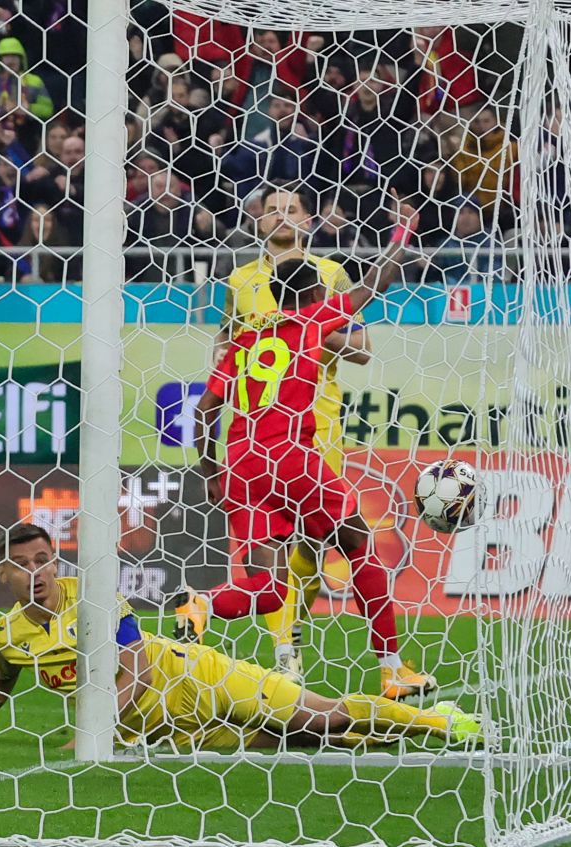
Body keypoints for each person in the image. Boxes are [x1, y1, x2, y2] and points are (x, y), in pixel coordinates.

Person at [177, 187, 437, 702]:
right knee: (358, 545)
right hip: (294, 457)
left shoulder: (247, 340)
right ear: (316, 298)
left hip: (240, 464)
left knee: (269, 585)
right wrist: (401, 237)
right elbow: (373, 284)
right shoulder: (315, 320)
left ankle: (202, 604)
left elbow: (206, 409)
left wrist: (209, 471)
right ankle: (391, 670)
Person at [0, 524, 480, 751]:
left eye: (44, 560)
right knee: (302, 742)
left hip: (196, 676)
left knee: (325, 718)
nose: (38, 572)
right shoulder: (8, 632)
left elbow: (138, 668)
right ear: (3, 575)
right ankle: (412, 733)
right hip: (168, 729)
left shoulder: (95, 595)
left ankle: (442, 721)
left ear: (56, 561)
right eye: (23, 565)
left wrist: (96, 734)